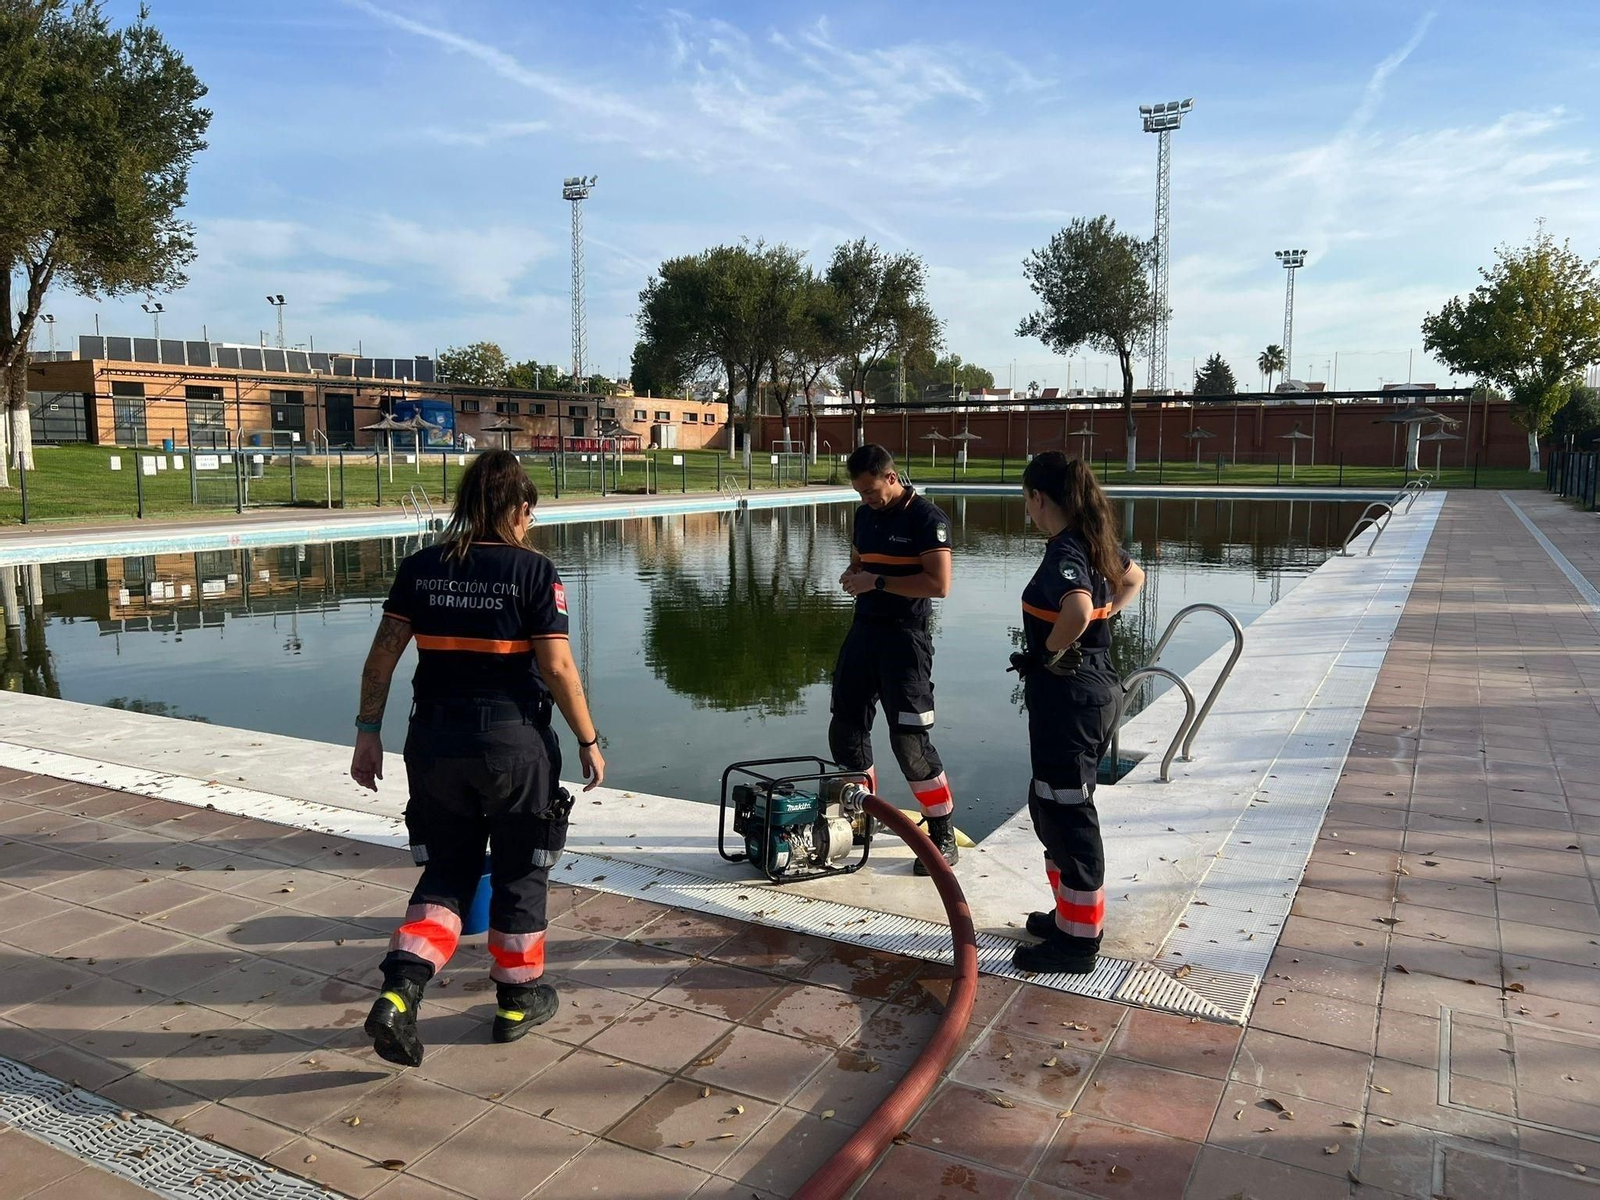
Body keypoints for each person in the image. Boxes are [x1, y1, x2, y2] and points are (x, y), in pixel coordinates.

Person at [349, 449, 605, 1067]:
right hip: (512, 744)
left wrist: (367, 732)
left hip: (433, 742)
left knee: (448, 869)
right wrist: (589, 740)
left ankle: (400, 991)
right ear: (518, 509)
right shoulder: (535, 572)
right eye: (530, 512)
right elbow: (557, 667)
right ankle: (518, 1000)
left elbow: (381, 658)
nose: (531, 522)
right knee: (521, 869)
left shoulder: (420, 567)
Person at [1008, 452, 1144, 974]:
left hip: (1069, 697)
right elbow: (1135, 579)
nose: (1027, 510)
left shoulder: (1066, 549)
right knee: (1049, 802)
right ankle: (1069, 916)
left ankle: (1078, 943)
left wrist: (1050, 651)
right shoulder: (1096, 542)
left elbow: (1079, 608)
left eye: (1027, 500)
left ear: (1038, 497)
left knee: (1067, 810)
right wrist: (1100, 624)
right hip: (1095, 688)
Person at [831, 444, 958, 872]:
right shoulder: (864, 516)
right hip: (863, 631)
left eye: (870, 490)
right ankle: (861, 815)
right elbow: (859, 564)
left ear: (891, 477)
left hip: (905, 640)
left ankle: (941, 833)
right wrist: (853, 576)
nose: (865, 498)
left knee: (909, 743)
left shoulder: (926, 518)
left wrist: (878, 582)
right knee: (845, 728)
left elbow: (939, 585)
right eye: (859, 492)